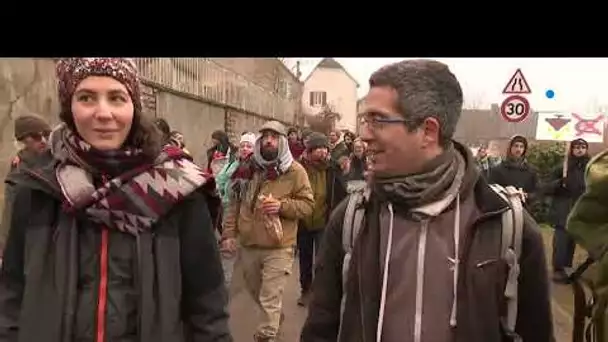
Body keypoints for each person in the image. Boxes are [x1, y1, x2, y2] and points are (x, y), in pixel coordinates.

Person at [301, 59, 553, 342]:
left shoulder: (507, 224)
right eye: (364, 120)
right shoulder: (351, 218)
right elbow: (320, 330)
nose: (364, 134)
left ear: (428, 131)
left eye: (378, 120)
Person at [0, 58, 231, 342]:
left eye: (116, 97)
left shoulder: (176, 189)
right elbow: (11, 295)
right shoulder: (38, 188)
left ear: (133, 107)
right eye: (86, 97)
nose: (103, 112)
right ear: (69, 108)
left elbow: (207, 308)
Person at [221, 120, 314, 342]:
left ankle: (267, 334)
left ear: (282, 142)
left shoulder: (294, 171)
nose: (269, 140)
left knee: (270, 296)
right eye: (265, 136)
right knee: (256, 292)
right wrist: (228, 235)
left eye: (274, 136)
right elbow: (233, 204)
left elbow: (308, 205)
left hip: (279, 246)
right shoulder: (246, 169)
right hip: (249, 244)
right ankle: (273, 320)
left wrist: (282, 206)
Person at [297, 132, 347, 307]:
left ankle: (320, 292)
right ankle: (306, 289)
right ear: (310, 150)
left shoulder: (332, 169)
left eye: (325, 148)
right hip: (302, 221)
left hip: (324, 221)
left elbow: (342, 192)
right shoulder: (299, 168)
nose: (323, 152)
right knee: (304, 258)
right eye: (319, 148)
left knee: (322, 259)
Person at [0, 114, 52, 255]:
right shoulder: (18, 173)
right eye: (35, 136)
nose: (43, 140)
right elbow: (9, 215)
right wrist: (3, 248)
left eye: (47, 135)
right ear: (22, 141)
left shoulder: (59, 162)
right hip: (30, 243)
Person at [215, 132, 256, 288]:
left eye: (249, 146)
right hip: (229, 208)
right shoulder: (235, 163)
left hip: (247, 217)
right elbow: (222, 179)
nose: (245, 148)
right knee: (230, 252)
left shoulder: (255, 169)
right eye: (243, 145)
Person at [545, 138, 590, 283]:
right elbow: (546, 187)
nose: (579, 149)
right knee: (561, 241)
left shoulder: (589, 168)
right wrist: (560, 183)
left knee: (573, 241)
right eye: (576, 147)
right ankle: (558, 269)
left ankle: (569, 267)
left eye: (582, 147)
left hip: (580, 209)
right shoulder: (562, 167)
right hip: (563, 208)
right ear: (571, 149)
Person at [488, 135, 539, 208]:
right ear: (510, 148)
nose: (518, 149)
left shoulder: (531, 170)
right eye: (516, 146)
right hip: (503, 208)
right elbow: (491, 190)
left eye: (521, 147)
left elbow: (537, 191)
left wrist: (526, 195)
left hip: (524, 207)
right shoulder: (498, 170)